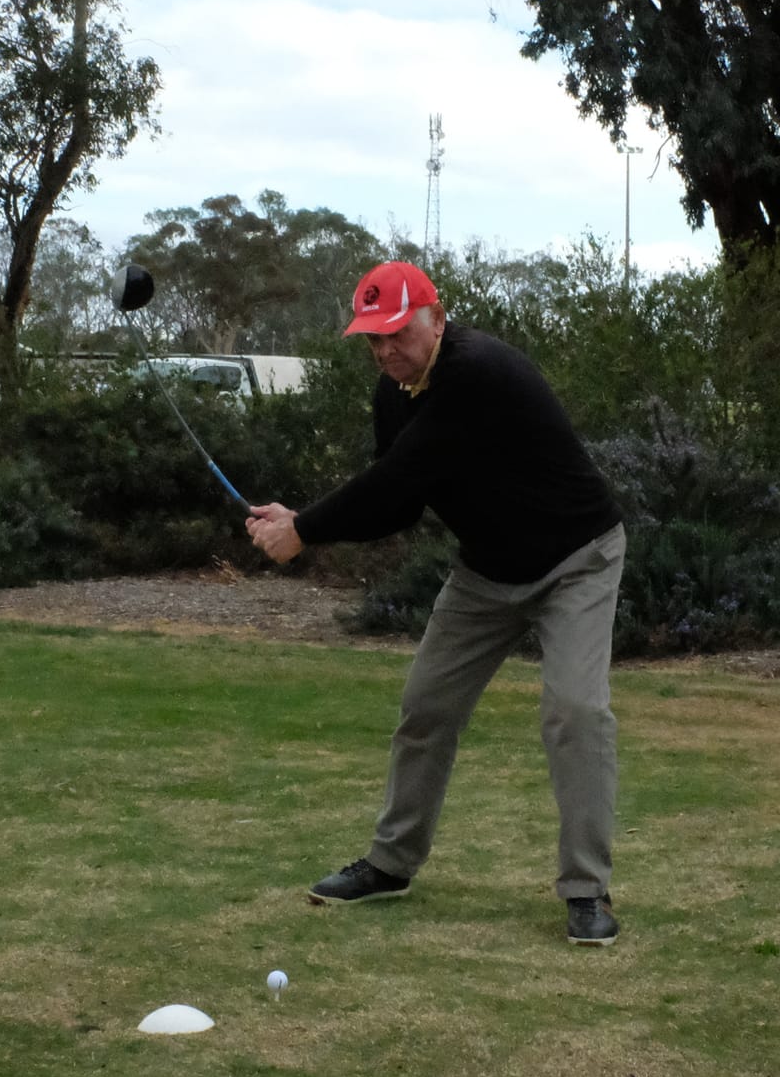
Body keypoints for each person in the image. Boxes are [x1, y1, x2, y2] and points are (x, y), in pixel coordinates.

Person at [244, 260, 628, 946]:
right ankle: (391, 863)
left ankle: (586, 890)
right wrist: (304, 523)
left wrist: (303, 530)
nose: (386, 349)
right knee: (426, 707)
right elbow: (397, 502)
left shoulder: (474, 371)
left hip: (577, 559)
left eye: (399, 332)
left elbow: (399, 473)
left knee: (575, 711)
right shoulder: (393, 395)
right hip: (487, 571)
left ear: (438, 320)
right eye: (374, 338)